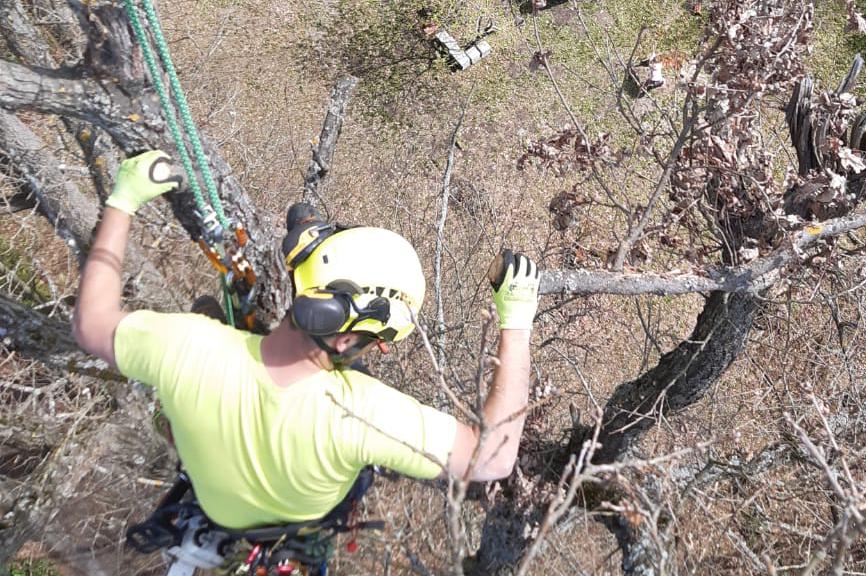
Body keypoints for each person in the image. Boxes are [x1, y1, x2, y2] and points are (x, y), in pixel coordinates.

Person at [73, 150, 540, 532]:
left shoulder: (189, 347)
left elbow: (93, 323)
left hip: (217, 497)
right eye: (378, 339)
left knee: (206, 309)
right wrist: (516, 320)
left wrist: (125, 198)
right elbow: (494, 459)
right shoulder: (364, 416)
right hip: (299, 513)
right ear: (345, 338)